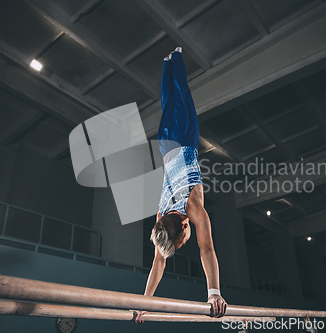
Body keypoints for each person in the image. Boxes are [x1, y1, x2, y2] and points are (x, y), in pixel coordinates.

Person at [134, 47, 227, 323]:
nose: (186, 242)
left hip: (184, 138)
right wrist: (143, 303)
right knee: (168, 102)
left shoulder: (193, 207)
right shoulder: (161, 219)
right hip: (165, 145)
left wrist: (214, 292)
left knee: (182, 94)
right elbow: (158, 261)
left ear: (185, 227)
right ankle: (166, 64)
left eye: (182, 241)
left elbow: (207, 249)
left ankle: (176, 57)